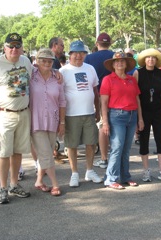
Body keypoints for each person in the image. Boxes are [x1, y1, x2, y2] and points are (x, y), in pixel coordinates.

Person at [0, 33, 32, 204]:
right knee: (3, 153)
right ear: (4, 48)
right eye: (10, 46)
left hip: (24, 112)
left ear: (21, 47)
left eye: (17, 46)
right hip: (4, 114)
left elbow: (35, 79)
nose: (14, 49)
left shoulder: (26, 61)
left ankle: (14, 184)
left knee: (17, 152)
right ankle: (3, 188)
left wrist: (56, 74)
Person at [59, 40, 102, 187]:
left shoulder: (90, 68)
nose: (78, 56)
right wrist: (61, 118)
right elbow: (59, 96)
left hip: (89, 113)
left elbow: (95, 92)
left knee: (91, 143)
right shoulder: (63, 71)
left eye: (81, 53)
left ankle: (89, 171)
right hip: (71, 115)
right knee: (72, 145)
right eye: (75, 53)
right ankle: (74, 173)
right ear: (70, 54)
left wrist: (98, 110)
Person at [101, 52, 144, 190]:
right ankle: (110, 178)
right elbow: (104, 102)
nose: (120, 63)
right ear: (113, 65)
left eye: (122, 61)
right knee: (117, 147)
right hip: (117, 115)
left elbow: (137, 100)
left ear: (126, 64)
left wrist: (140, 119)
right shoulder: (108, 79)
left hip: (132, 115)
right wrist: (105, 122)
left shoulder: (131, 79)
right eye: (117, 61)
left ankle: (125, 176)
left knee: (126, 148)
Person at [133, 48, 161, 182]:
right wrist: (139, 117)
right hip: (143, 111)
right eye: (148, 57)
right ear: (144, 60)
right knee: (144, 140)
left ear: (156, 60)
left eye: (153, 58)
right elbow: (137, 97)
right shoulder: (138, 73)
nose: (151, 60)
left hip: (157, 110)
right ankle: (146, 171)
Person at [30, 48, 66, 196]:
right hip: (35, 121)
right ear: (37, 62)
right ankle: (55, 184)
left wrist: (62, 123)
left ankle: (39, 180)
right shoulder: (30, 75)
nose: (46, 63)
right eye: (43, 60)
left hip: (53, 120)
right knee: (46, 154)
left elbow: (62, 101)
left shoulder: (57, 78)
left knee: (47, 153)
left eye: (49, 61)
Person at [84, 32, 115, 169]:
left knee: (103, 125)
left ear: (97, 44)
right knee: (115, 125)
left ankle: (104, 158)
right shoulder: (115, 56)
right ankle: (115, 154)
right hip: (116, 93)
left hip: (99, 93)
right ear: (110, 44)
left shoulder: (89, 58)